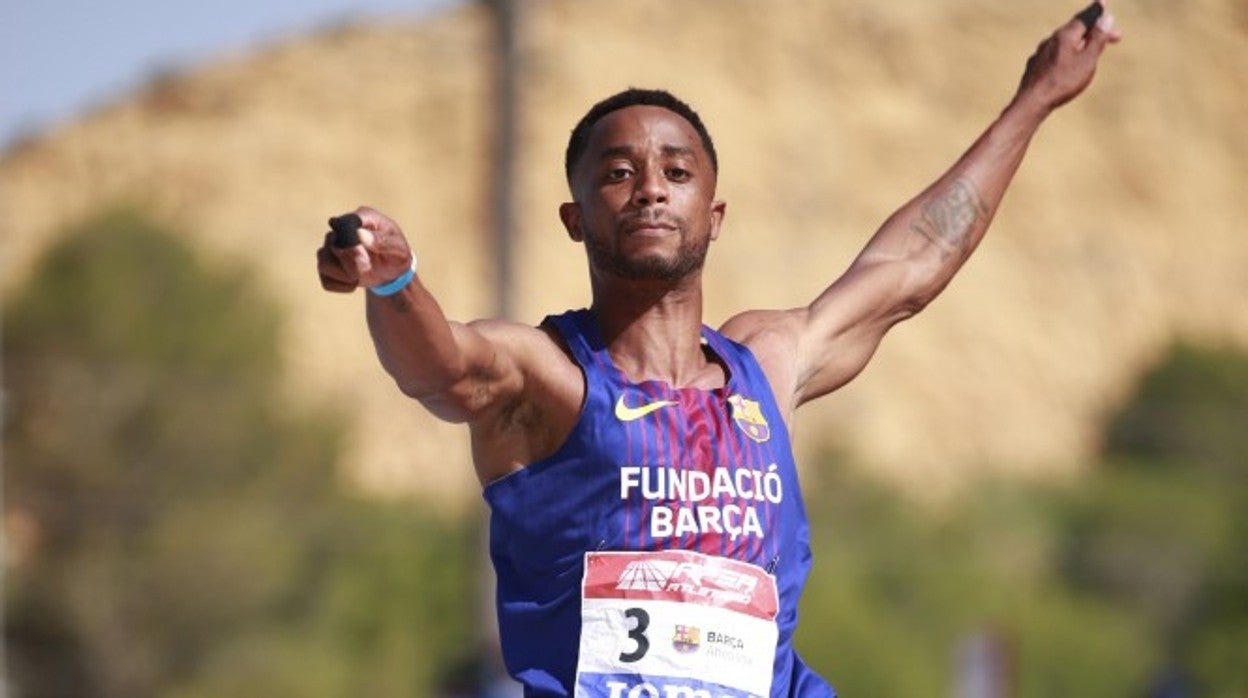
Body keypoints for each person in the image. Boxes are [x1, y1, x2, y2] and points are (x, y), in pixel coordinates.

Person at [317, 3, 1120, 695]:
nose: (651, 188)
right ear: (575, 218)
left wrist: (1037, 97)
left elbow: (911, 265)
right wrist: (394, 285)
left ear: (715, 212)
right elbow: (441, 369)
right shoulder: (547, 377)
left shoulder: (765, 363)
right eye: (619, 173)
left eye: (676, 170)